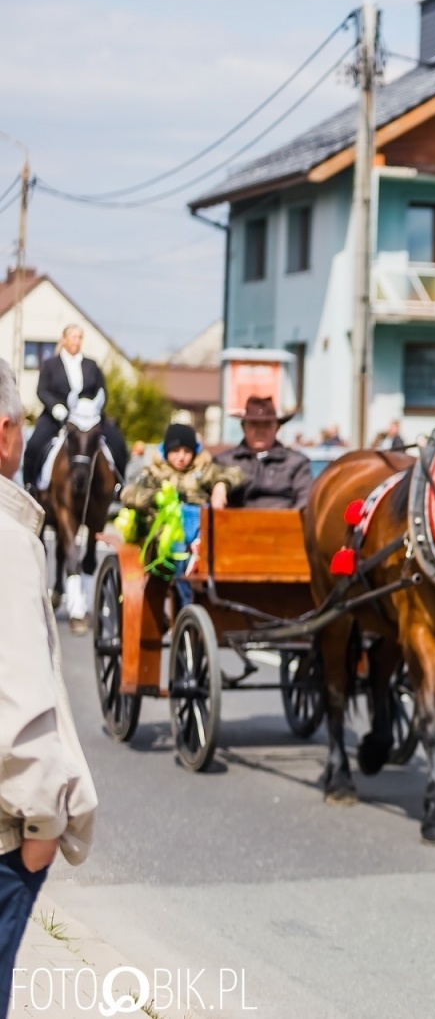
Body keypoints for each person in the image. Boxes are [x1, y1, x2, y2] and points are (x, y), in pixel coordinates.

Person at [0, 357, 97, 1010]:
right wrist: (42, 828)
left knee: (102, 447)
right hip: (6, 842)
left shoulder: (90, 368)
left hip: (88, 417)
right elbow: (18, 697)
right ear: (6, 431)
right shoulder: (7, 541)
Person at [21, 324, 128, 491]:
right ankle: (30, 485)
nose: (76, 341)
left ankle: (120, 485)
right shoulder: (50, 365)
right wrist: (56, 407)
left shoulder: (91, 365)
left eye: (79, 337)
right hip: (56, 416)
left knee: (117, 441)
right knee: (34, 445)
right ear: (64, 339)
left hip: (89, 417)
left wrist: (93, 408)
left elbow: (102, 391)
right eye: (73, 337)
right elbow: (42, 390)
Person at [121, 423, 241, 515]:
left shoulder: (203, 470)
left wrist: (221, 486)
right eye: (175, 451)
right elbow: (128, 494)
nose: (181, 457)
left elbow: (235, 473)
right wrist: (155, 498)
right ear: (166, 451)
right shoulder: (154, 472)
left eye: (187, 451)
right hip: (160, 539)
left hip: (197, 537)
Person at [215, 396, 313, 509]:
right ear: (243, 427)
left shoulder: (296, 463)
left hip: (282, 524)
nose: (260, 430)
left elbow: (305, 500)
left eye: (267, 424)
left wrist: (289, 523)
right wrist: (219, 485)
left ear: (277, 428)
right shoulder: (224, 461)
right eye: (254, 424)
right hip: (232, 524)